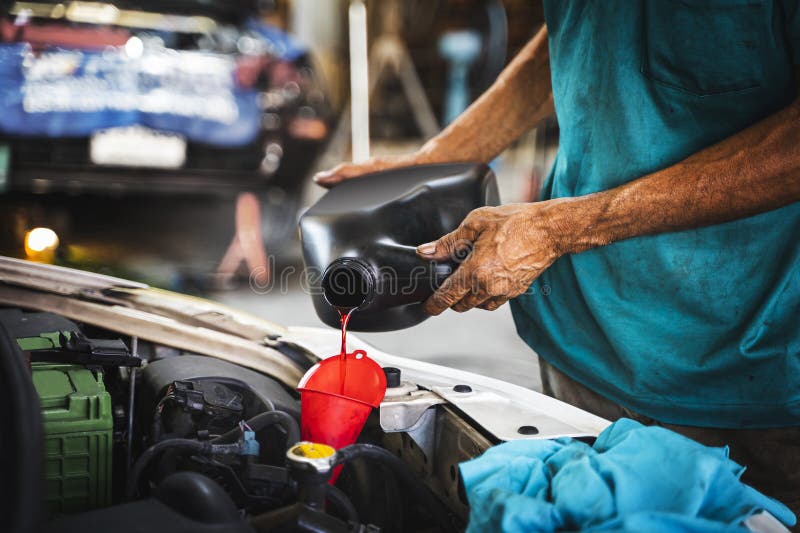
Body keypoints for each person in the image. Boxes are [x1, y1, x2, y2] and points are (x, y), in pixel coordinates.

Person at [315, 1, 800, 523]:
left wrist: (560, 227)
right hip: (581, 341)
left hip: (748, 368)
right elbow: (575, 35)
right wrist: (432, 161)